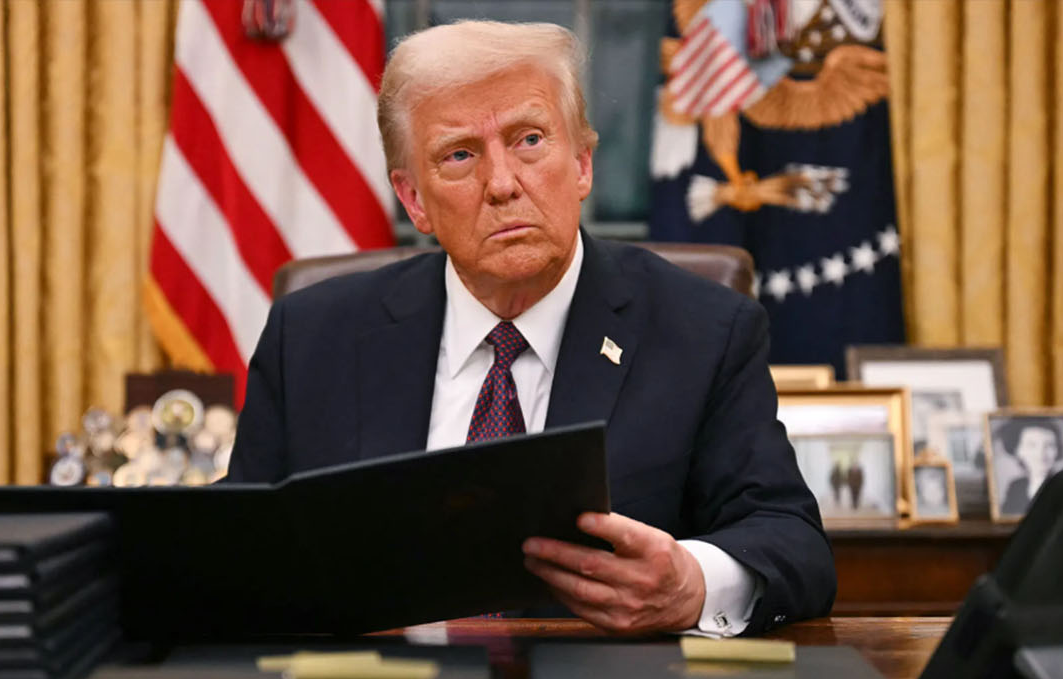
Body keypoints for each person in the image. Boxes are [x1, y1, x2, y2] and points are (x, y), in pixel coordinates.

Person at [226, 21, 834, 637]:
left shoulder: (704, 330)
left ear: (582, 165)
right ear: (414, 200)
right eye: (459, 154)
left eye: (530, 139)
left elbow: (792, 545)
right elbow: (235, 550)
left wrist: (691, 583)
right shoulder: (313, 337)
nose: (502, 183)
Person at [997, 421, 1062, 516]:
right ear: (1018, 451)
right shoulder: (1016, 486)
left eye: (1049, 445)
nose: (1041, 454)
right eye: (1032, 445)